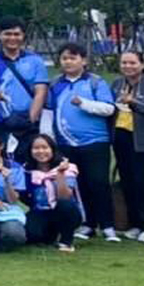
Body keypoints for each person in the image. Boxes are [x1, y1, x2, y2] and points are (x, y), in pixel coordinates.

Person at [49, 42, 119, 242]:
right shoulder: (55, 84)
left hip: (95, 141)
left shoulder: (96, 82)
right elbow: (48, 112)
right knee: (78, 185)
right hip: (65, 143)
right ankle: (88, 224)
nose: (68, 62)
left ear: (84, 60)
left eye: (73, 58)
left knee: (98, 182)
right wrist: (49, 140)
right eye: (64, 58)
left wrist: (84, 104)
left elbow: (109, 109)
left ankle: (108, 225)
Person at [0, 17, 50, 164]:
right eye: (7, 34)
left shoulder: (35, 60)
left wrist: (31, 119)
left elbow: (41, 92)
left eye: (17, 34)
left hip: (29, 123)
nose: (12, 38)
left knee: (30, 165)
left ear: (23, 36)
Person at [111, 48, 144, 243]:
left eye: (132, 63)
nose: (128, 66)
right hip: (121, 138)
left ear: (142, 65)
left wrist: (133, 102)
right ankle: (134, 224)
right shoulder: (117, 84)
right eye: (124, 63)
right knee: (128, 182)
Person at [22, 134, 84, 252]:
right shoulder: (26, 170)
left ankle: (66, 241)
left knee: (65, 204)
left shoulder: (68, 168)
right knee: (31, 235)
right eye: (36, 148)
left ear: (52, 149)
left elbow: (65, 196)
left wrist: (60, 174)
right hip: (41, 211)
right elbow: (24, 196)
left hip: (66, 211)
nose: (40, 151)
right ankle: (50, 236)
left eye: (45, 148)